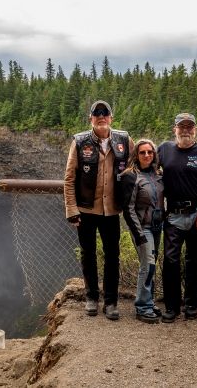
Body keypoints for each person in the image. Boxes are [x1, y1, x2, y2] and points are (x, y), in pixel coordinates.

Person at [63, 100, 131, 320]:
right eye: (96, 113)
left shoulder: (123, 139)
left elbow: (139, 161)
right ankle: (92, 297)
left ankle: (111, 302)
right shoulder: (80, 142)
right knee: (88, 254)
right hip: (86, 210)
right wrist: (72, 210)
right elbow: (70, 178)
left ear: (111, 117)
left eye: (105, 113)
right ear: (90, 118)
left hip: (112, 210)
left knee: (113, 256)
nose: (101, 116)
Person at [157, 113, 197, 323]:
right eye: (182, 126)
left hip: (196, 215)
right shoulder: (164, 149)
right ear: (175, 129)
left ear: (195, 130)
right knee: (171, 261)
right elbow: (152, 172)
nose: (186, 130)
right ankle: (172, 307)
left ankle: (191, 305)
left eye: (190, 126)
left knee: (195, 261)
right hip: (172, 215)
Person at [120, 139, 165, 324]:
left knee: (152, 264)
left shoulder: (157, 174)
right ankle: (142, 307)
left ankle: (149, 301)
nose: (147, 155)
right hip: (142, 227)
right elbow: (128, 208)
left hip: (157, 226)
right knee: (147, 265)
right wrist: (137, 233)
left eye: (150, 152)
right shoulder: (131, 176)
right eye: (142, 152)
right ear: (136, 155)